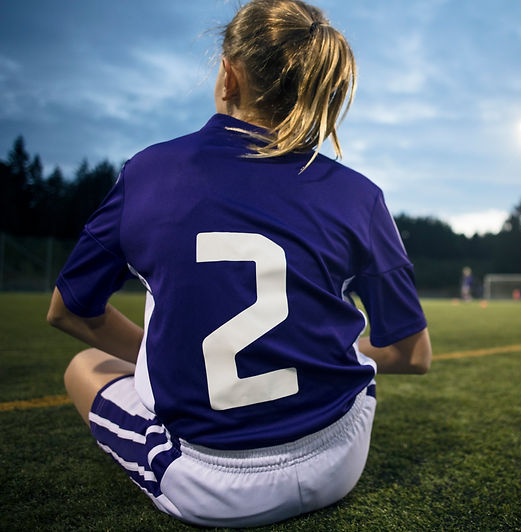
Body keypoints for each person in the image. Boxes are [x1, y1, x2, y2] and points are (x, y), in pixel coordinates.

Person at [46, 0, 431, 527]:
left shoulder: (151, 172)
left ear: (229, 74)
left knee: (82, 367)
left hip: (212, 485)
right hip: (340, 460)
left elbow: (69, 312)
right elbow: (413, 355)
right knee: (355, 370)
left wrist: (164, 360)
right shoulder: (359, 195)